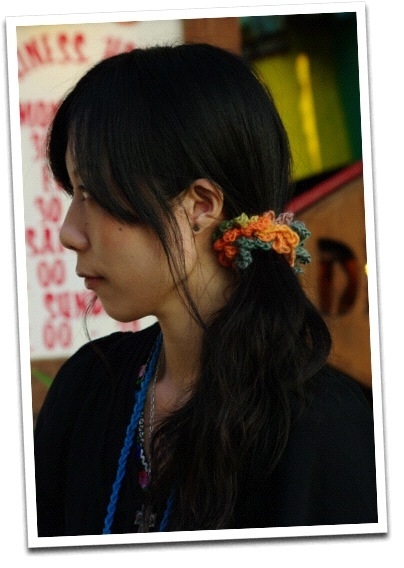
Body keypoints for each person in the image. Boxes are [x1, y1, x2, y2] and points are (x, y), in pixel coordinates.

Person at [34, 43, 378, 536]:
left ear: (200, 205)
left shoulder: (321, 427)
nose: (69, 232)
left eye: (92, 194)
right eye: (74, 193)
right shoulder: (87, 387)